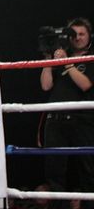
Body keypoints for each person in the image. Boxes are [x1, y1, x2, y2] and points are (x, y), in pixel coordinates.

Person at [40, 17, 94, 209]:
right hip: (56, 120)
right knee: (54, 172)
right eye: (74, 34)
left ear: (89, 36)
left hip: (82, 120)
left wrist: (68, 63)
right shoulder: (62, 56)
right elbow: (46, 86)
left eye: (82, 34)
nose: (77, 38)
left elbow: (85, 84)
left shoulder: (91, 58)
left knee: (88, 169)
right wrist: (49, 61)